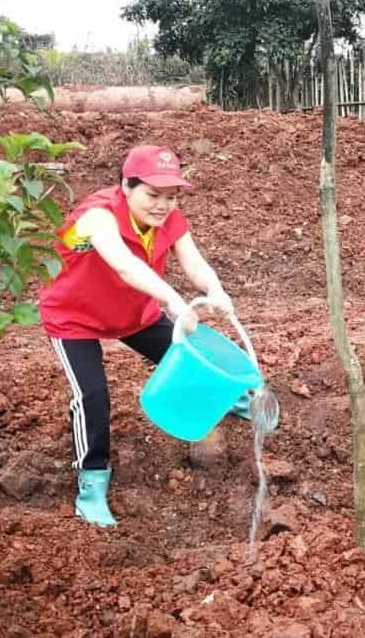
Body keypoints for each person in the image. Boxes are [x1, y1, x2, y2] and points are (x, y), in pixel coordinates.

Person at [39, 145, 237, 528]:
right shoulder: (96, 217)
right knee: (91, 396)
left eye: (170, 196)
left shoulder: (170, 217)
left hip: (133, 314)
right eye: (152, 194)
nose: (162, 205)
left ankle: (231, 398)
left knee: (190, 351)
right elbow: (126, 267)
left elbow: (192, 261)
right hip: (74, 318)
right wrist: (174, 300)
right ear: (125, 187)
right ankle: (92, 486)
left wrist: (216, 291)